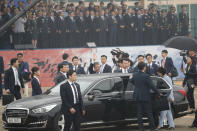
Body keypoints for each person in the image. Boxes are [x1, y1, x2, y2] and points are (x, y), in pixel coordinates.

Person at [130, 62, 160, 131]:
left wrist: (137, 85)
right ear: (144, 67)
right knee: (149, 113)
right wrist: (158, 93)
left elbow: (130, 80)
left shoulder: (134, 75)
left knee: (139, 114)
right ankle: (152, 128)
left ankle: (141, 128)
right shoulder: (146, 76)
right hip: (145, 97)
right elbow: (152, 86)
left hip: (137, 96)